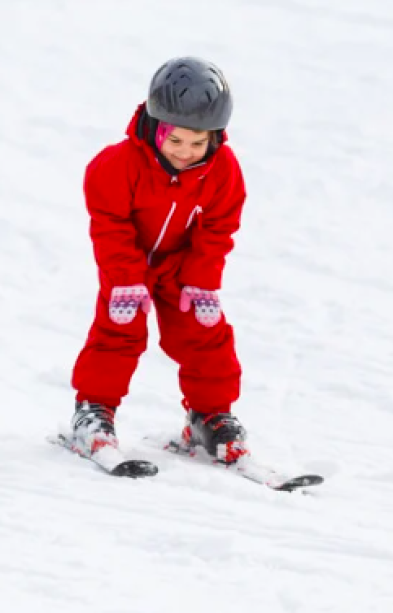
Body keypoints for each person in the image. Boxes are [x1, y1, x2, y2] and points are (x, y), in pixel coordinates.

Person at [64, 56, 250, 468]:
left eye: (198, 143)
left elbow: (220, 225)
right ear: (155, 127)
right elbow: (109, 225)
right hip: (128, 264)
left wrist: (202, 280)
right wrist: (125, 278)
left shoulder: (222, 170)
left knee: (206, 336)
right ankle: (93, 414)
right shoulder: (117, 165)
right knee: (118, 332)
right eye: (176, 140)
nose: (186, 153)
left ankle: (209, 417)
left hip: (181, 267)